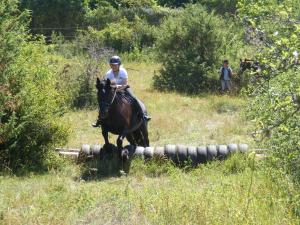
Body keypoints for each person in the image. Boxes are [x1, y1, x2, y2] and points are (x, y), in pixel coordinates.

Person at [92, 56, 150, 127]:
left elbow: (125, 84)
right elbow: (106, 85)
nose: (113, 66)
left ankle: (143, 115)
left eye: (115, 65)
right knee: (104, 103)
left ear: (119, 64)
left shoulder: (123, 72)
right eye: (112, 64)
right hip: (113, 91)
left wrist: (117, 87)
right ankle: (99, 120)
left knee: (134, 98)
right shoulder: (108, 74)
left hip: (124, 89)